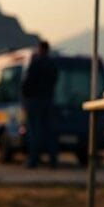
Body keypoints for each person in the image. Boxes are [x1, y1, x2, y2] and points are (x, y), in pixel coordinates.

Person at [21, 40, 60, 169]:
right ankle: (53, 160)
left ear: (40, 49)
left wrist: (26, 96)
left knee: (34, 131)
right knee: (49, 131)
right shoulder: (52, 64)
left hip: (35, 101)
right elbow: (55, 80)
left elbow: (27, 82)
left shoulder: (36, 63)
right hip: (48, 100)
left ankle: (33, 160)